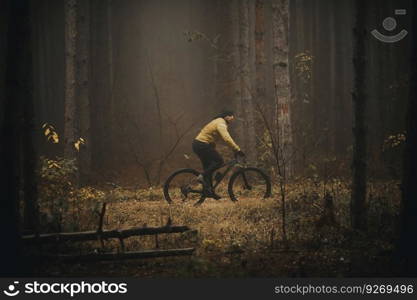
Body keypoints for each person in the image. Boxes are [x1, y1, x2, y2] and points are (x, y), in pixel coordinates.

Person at [192, 110, 245, 199]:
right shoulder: (221, 123)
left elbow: (212, 137)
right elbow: (227, 138)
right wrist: (237, 149)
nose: (233, 118)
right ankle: (202, 176)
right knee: (219, 161)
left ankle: (209, 191)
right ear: (227, 116)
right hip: (202, 145)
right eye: (232, 116)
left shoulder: (218, 121)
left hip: (199, 144)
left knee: (209, 168)